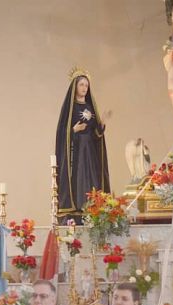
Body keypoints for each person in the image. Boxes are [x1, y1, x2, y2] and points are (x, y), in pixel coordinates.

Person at [55, 70, 110, 222]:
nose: (84, 88)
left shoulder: (91, 108)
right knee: (78, 178)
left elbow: (96, 134)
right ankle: (77, 208)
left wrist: (102, 124)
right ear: (75, 87)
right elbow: (61, 132)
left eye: (86, 85)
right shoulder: (70, 108)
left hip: (90, 151)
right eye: (81, 84)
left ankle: (92, 206)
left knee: (91, 178)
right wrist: (73, 130)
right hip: (76, 152)